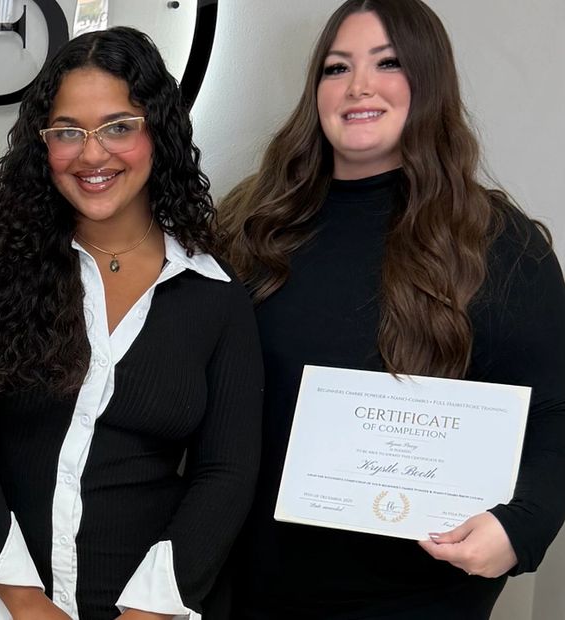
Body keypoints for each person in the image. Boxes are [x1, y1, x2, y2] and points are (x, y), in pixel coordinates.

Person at [217, 1, 565, 618]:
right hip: (249, 589)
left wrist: (522, 527)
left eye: (388, 63)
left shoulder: (497, 241)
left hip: (422, 596)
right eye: (336, 68)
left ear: (429, 82)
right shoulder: (251, 225)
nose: (359, 86)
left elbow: (557, 410)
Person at [0, 27, 263, 620]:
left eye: (118, 127)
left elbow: (225, 472)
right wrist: (25, 602)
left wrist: (150, 612)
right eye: (68, 132)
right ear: (42, 143)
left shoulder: (214, 294)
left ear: (158, 133)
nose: (92, 154)